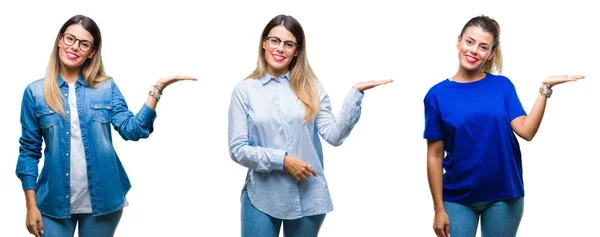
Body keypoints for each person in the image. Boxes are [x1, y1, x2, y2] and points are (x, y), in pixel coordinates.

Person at [16, 14, 196, 237]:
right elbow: (29, 152)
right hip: (52, 202)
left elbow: (133, 130)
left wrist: (156, 90)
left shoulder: (106, 88)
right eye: (70, 39)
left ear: (92, 52)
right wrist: (30, 205)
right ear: (60, 40)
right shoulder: (35, 93)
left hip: (103, 200)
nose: (75, 47)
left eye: (84, 44)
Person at [228, 14, 392, 237]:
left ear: (297, 50)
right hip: (263, 197)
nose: (280, 49)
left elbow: (334, 136)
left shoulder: (311, 86)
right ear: (264, 43)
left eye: (288, 44)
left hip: (309, 195)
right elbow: (238, 150)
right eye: (274, 40)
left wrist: (355, 94)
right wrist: (283, 160)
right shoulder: (244, 90)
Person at [423, 15, 584, 237]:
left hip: (504, 195)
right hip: (457, 197)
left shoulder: (502, 86)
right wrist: (438, 208)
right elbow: (434, 154)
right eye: (469, 42)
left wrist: (545, 89)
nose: (473, 51)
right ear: (459, 41)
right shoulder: (436, 95)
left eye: (483, 47)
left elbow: (526, 131)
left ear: (490, 53)